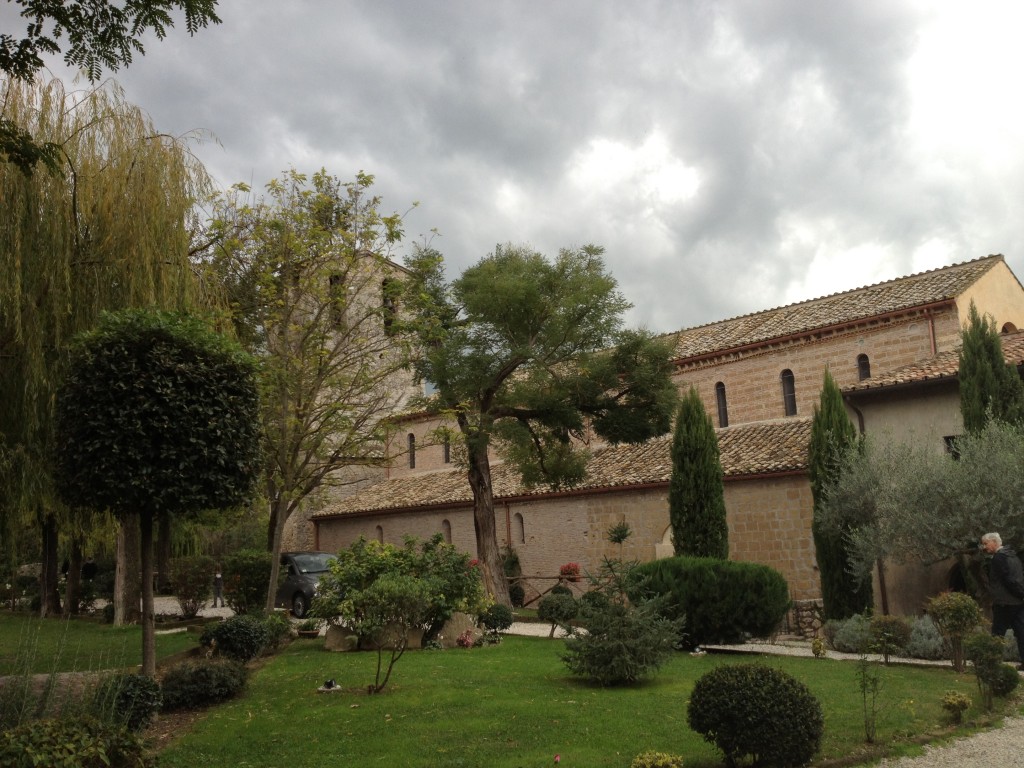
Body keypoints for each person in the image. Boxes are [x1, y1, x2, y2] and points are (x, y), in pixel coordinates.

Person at [980, 532, 1024, 667]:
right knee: (1021, 632)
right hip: (1018, 602)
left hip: (1004, 602)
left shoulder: (998, 558)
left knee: (998, 633)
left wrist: (1019, 592)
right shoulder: (1014, 556)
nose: (984, 547)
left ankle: (993, 662)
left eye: (986, 543)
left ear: (994, 542)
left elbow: (1007, 579)